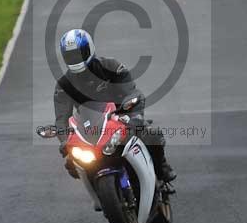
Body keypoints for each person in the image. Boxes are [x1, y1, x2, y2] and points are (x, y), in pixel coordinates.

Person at [53, 28, 176, 183]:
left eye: (79, 53)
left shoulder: (110, 66)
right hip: (91, 128)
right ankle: (100, 193)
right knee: (72, 163)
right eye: (70, 55)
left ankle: (161, 168)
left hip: (121, 118)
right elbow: (61, 119)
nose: (75, 59)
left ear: (89, 49)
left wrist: (135, 117)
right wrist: (65, 140)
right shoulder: (64, 84)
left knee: (151, 134)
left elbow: (132, 93)